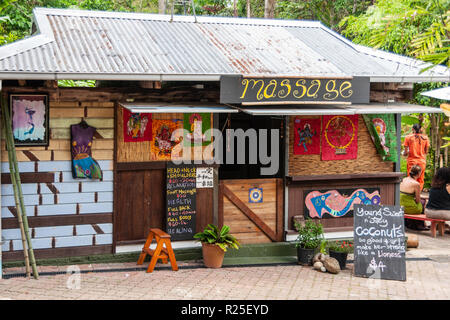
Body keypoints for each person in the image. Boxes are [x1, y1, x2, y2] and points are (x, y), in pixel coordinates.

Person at [403, 123, 430, 191]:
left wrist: (405, 153)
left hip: (411, 161)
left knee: (411, 178)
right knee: (420, 179)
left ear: (412, 129)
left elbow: (405, 153)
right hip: (421, 162)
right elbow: (426, 152)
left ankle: (410, 194)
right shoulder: (425, 138)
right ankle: (418, 194)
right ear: (420, 129)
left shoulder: (408, 137)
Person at [400, 165, 427, 230]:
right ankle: (420, 225)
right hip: (408, 208)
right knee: (423, 202)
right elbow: (418, 200)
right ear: (419, 173)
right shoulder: (416, 184)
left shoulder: (403, 179)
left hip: (400, 205)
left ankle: (410, 223)